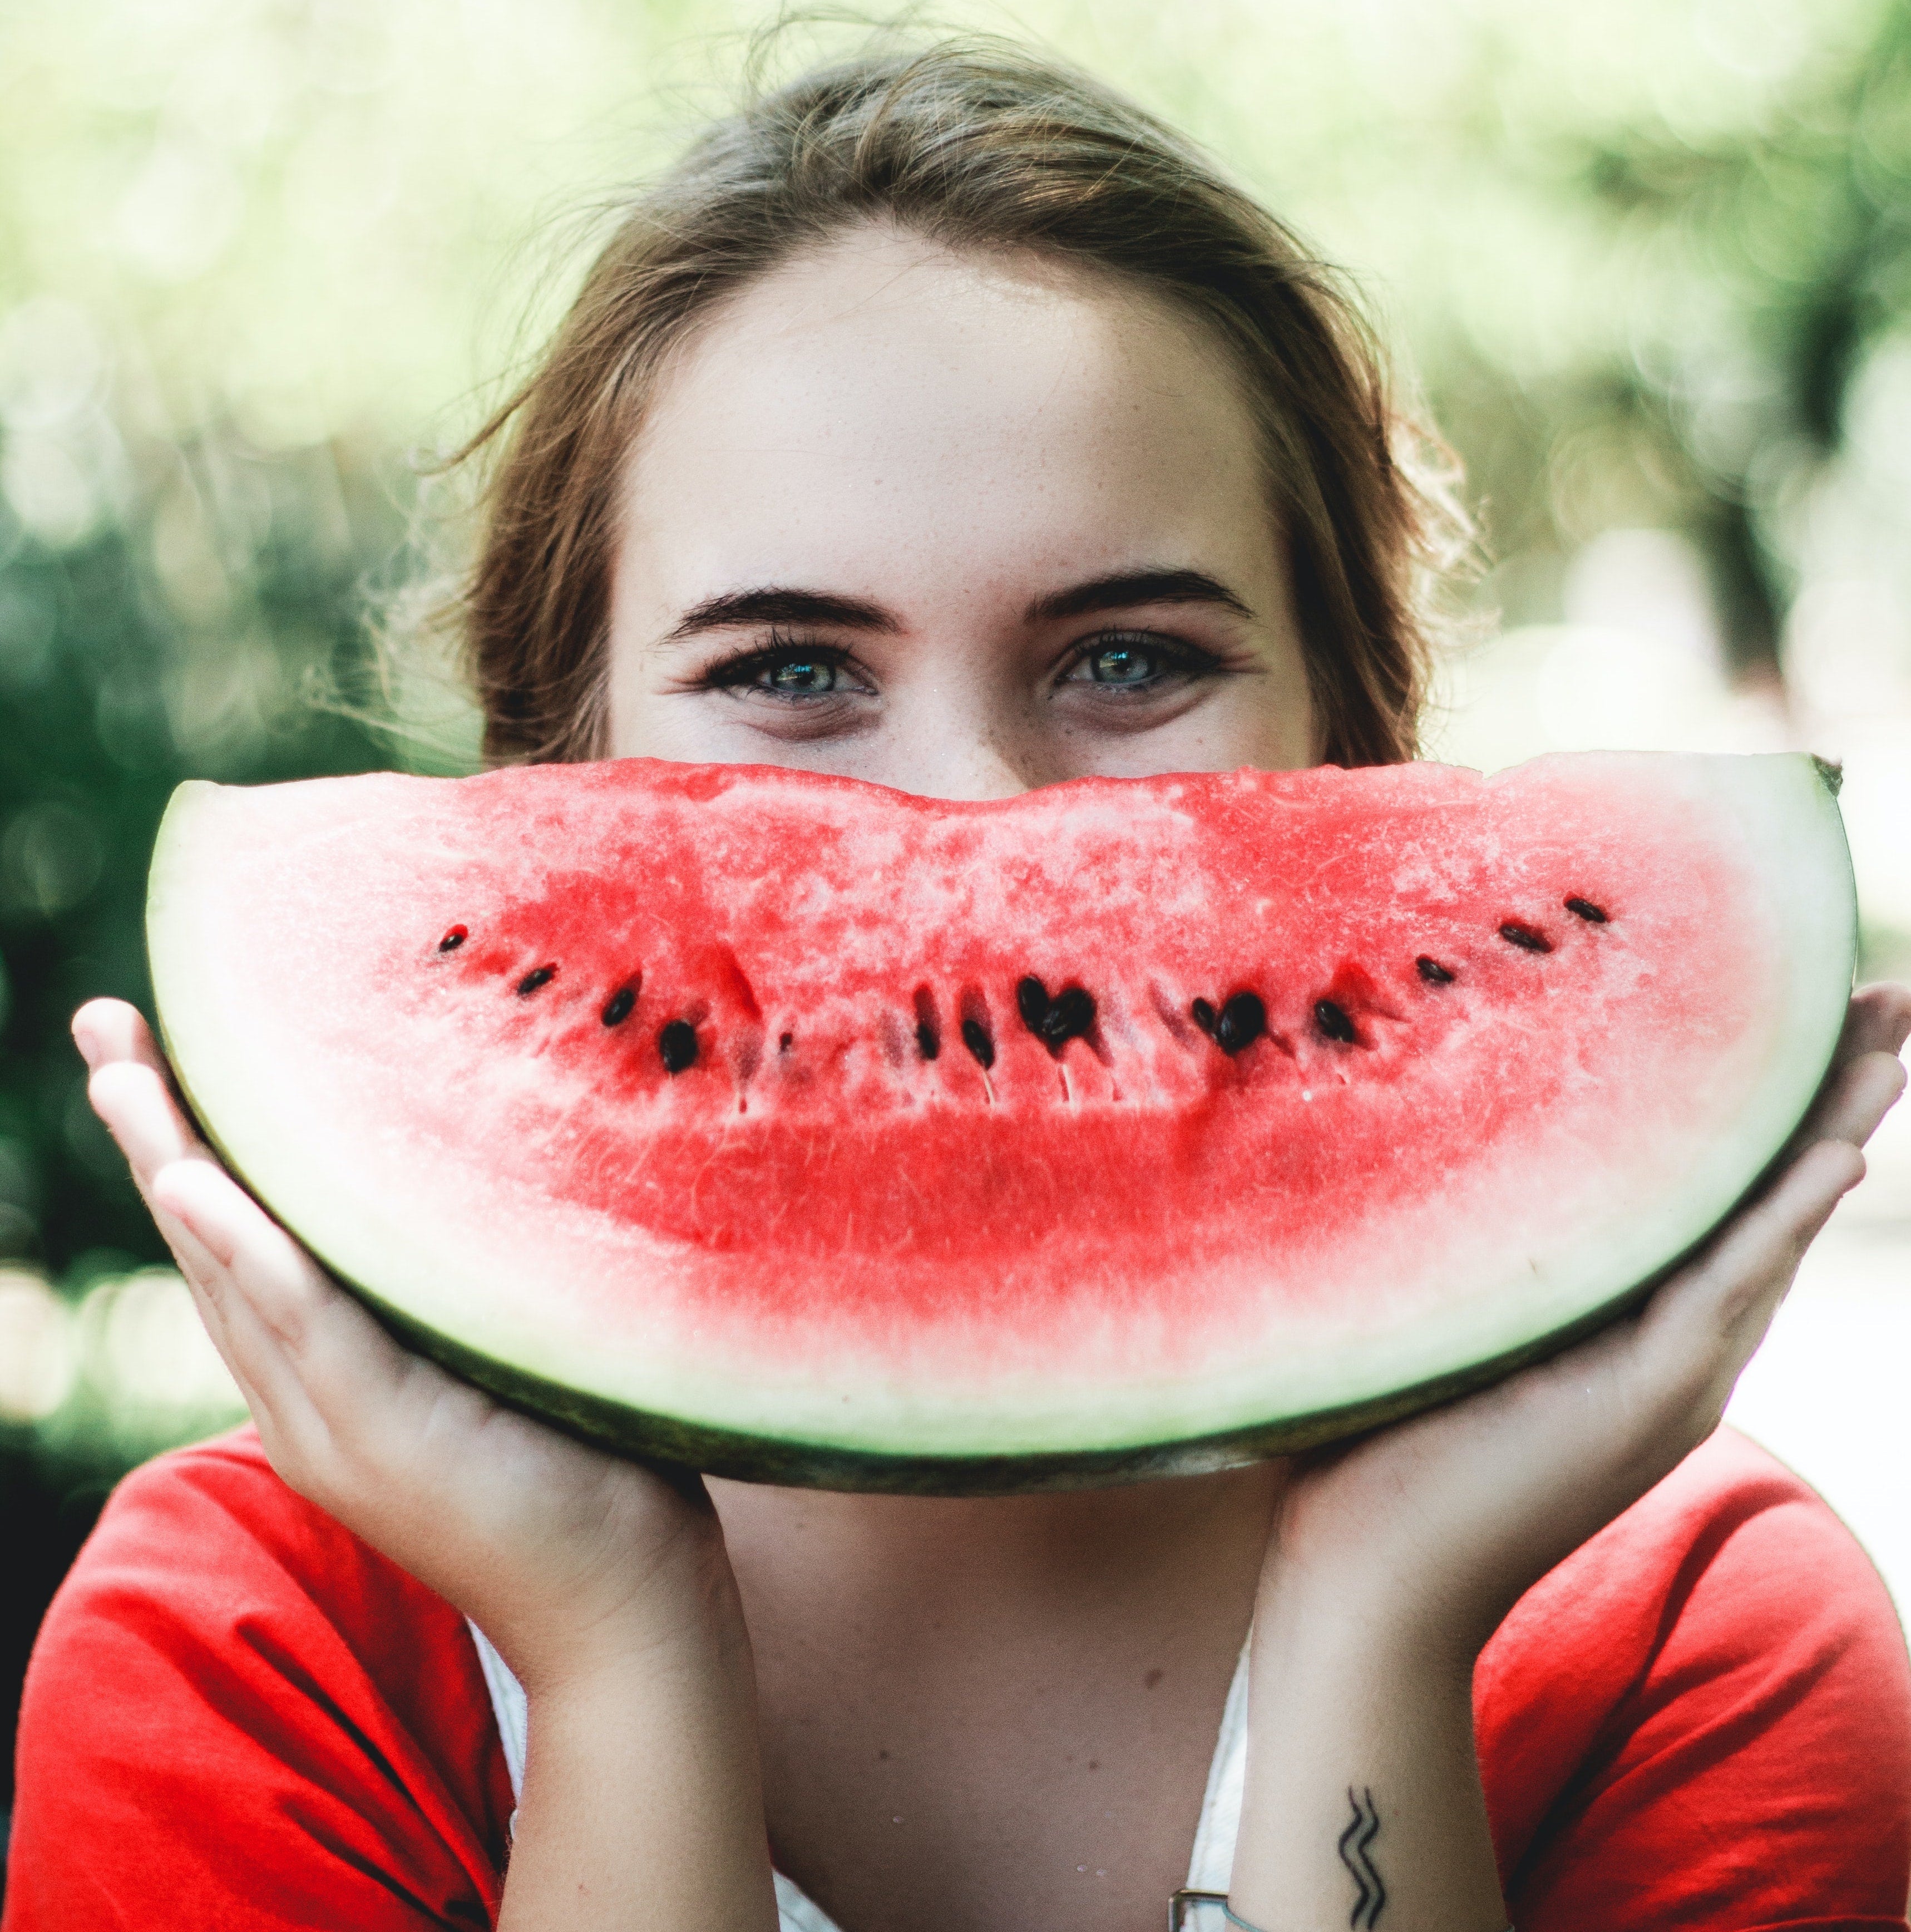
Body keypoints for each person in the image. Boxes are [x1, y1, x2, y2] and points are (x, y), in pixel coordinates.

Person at [8, 38, 1911, 1932]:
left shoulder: (1688, 1636)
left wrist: (1374, 1621)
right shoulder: (256, 1652)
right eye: (790, 672)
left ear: (1360, 746)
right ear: (550, 775)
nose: (967, 819)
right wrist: (610, 1649)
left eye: (1128, 658)